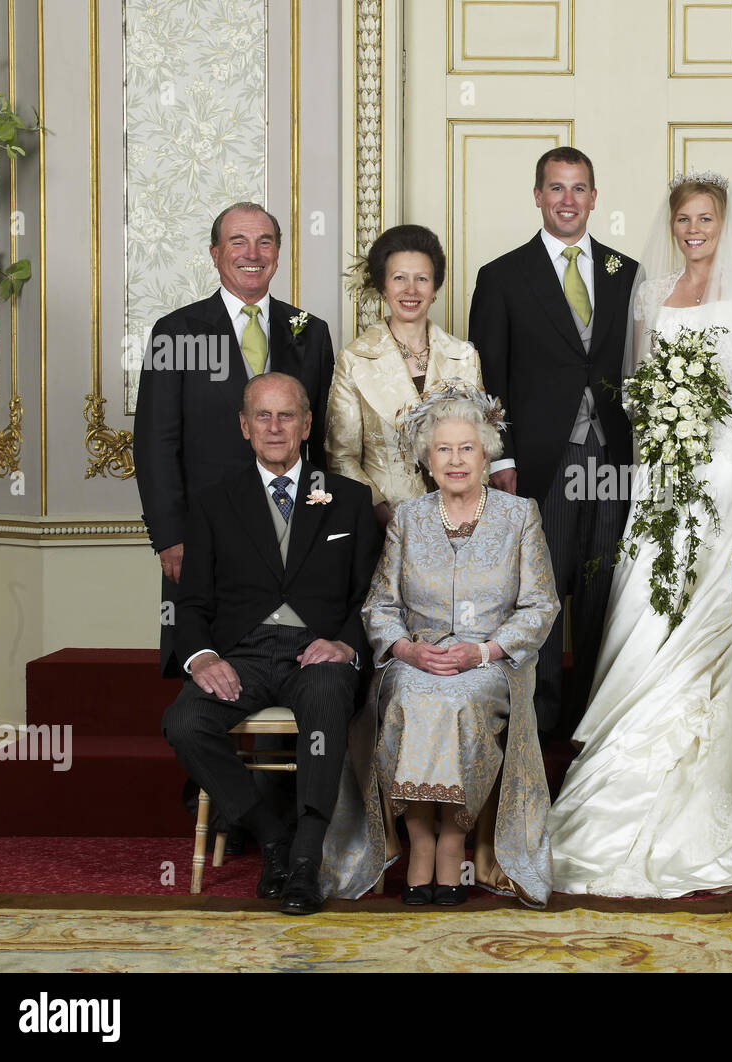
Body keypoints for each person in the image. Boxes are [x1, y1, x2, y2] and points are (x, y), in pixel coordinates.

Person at [547, 172, 732, 897]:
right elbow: (638, 381)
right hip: (663, 468)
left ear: (723, 221)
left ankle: (709, 784)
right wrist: (668, 394)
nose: (692, 229)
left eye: (704, 218)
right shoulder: (650, 296)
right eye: (683, 219)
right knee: (650, 598)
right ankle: (619, 782)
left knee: (711, 605)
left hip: (723, 466)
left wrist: (706, 382)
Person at [319, 384, 560, 908]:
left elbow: (541, 606)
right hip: (417, 656)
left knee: (459, 700)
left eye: (467, 448)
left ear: (486, 453)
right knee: (411, 695)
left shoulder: (520, 516)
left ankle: (451, 840)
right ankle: (421, 839)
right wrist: (406, 651)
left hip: (490, 659)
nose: (456, 460)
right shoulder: (408, 519)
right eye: (444, 450)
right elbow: (379, 606)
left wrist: (485, 653)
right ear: (427, 459)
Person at [160, 372, 378, 915]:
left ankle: (305, 861)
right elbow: (190, 605)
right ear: (243, 426)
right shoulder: (213, 503)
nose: (275, 427)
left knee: (329, 698)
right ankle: (271, 833)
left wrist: (347, 646)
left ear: (307, 425)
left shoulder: (349, 499)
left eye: (287, 416)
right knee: (184, 723)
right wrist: (203, 655)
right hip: (243, 656)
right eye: (263, 415)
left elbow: (372, 596)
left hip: (318, 652)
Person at [467, 147, 639, 738]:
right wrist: (503, 458)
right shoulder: (502, 276)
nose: (568, 200)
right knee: (541, 595)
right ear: (537, 196)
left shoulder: (628, 273)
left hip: (614, 459)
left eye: (580, 188)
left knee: (602, 592)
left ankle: (592, 724)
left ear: (595, 197)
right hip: (541, 462)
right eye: (556, 188)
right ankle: (535, 731)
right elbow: (488, 380)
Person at [135, 201, 337, 676]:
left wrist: (325, 521)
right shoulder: (176, 333)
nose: (253, 253)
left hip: (293, 529)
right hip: (206, 532)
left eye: (265, 241)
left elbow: (322, 438)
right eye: (238, 242)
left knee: (295, 664)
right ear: (215, 253)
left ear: (278, 253)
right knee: (210, 667)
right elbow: (154, 442)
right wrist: (170, 537)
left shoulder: (311, 332)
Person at [325, 224, 484, 527]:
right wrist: (380, 513)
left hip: (460, 520)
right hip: (386, 523)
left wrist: (471, 511)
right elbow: (341, 457)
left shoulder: (464, 356)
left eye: (421, 279)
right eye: (399, 278)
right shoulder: (354, 359)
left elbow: (481, 443)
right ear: (383, 287)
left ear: (435, 288)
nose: (411, 290)